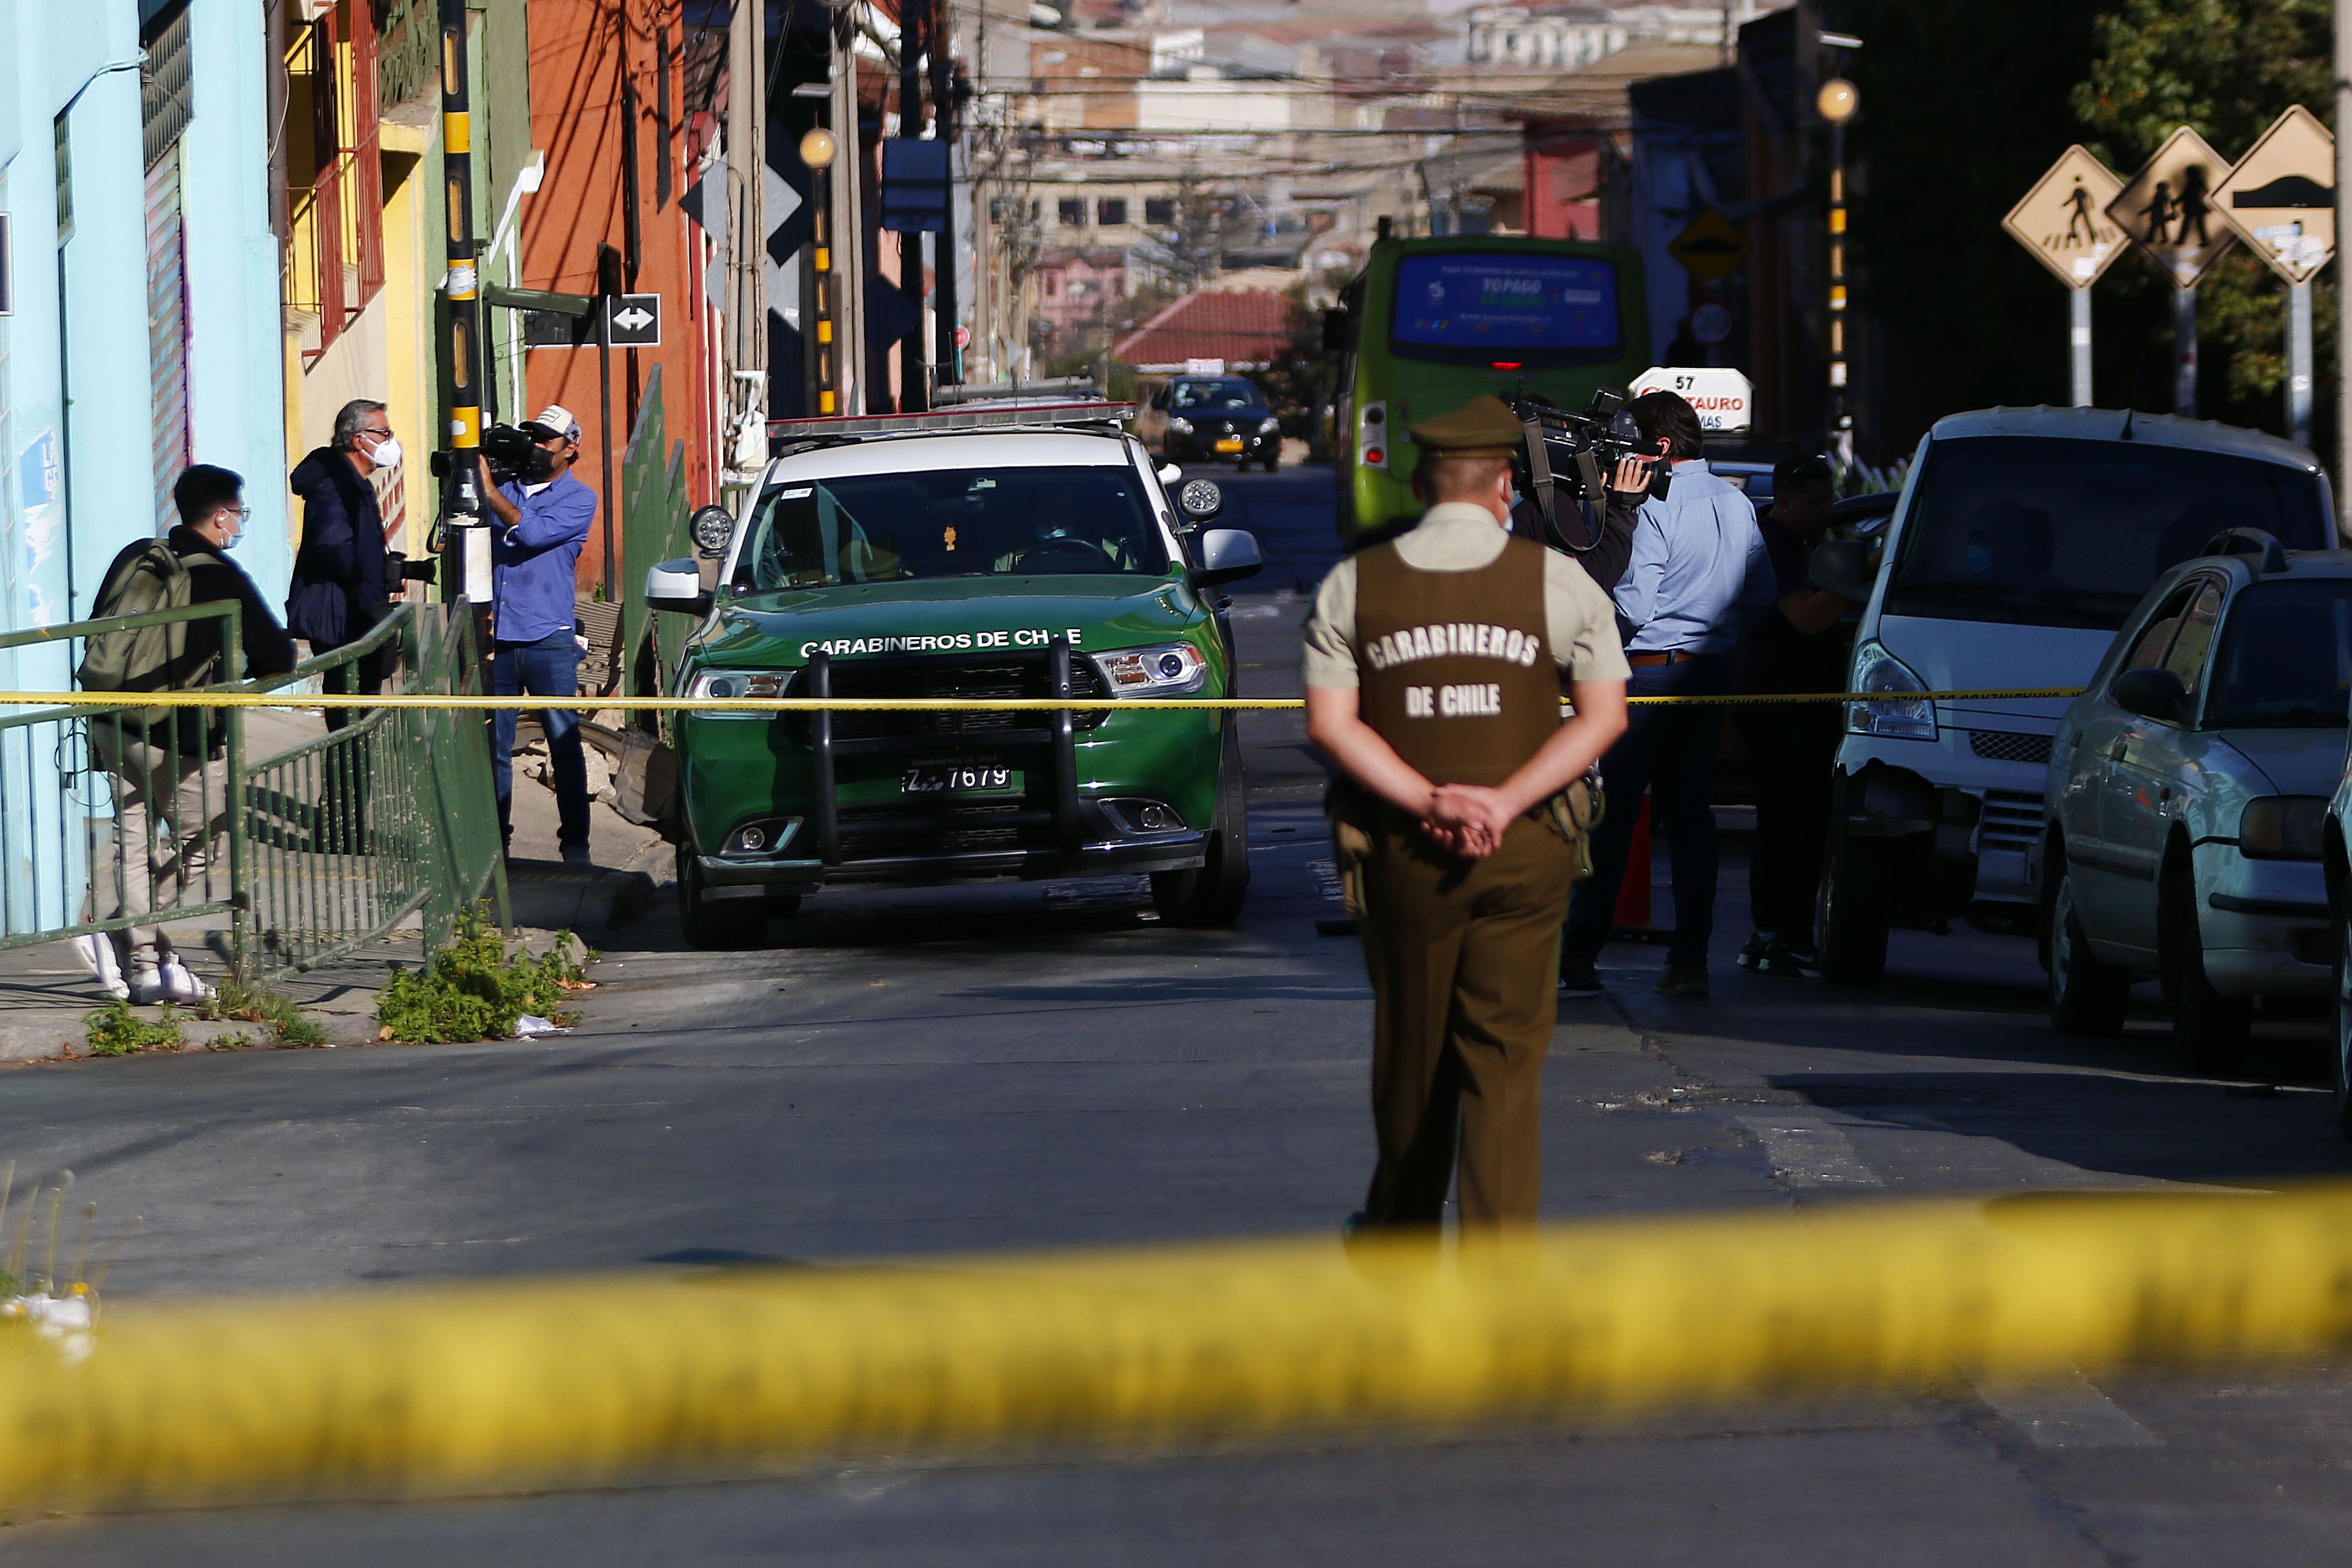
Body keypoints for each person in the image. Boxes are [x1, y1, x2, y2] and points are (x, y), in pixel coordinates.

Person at [1303, 393, 1630, 1235]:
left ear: (1418, 483)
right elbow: (1602, 718)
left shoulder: (1353, 584)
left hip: (1404, 852)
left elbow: (1330, 725)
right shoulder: (1559, 580)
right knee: (1504, 1062)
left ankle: (1402, 1239)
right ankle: (1497, 1280)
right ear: (1503, 488)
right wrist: (1503, 800)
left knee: (1411, 1057)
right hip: (1525, 851)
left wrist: (1429, 798)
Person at [1558, 389, 1773, 999]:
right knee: (1690, 818)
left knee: (1617, 818)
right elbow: (1762, 592)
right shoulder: (1736, 503)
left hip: (1647, 671)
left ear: (1655, 447)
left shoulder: (1653, 504)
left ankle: (1580, 957)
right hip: (1709, 672)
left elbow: (1634, 604)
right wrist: (1719, 634)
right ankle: (1690, 961)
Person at [75, 465, 297, 1004]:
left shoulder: (137, 556)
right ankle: (127, 934)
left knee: (133, 841)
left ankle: (147, 967)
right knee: (209, 835)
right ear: (219, 516)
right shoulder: (220, 573)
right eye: (238, 514)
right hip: (175, 735)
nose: (238, 524)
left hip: (109, 720)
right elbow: (279, 654)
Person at [1733, 454, 1855, 975]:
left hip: (1809, 695)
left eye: (1830, 499)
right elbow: (1804, 617)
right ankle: (1782, 931)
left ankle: (1773, 930)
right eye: (1815, 502)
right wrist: (1860, 578)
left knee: (1790, 816)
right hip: (1781, 697)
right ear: (1783, 501)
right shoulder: (1773, 544)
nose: (1827, 511)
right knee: (1792, 815)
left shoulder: (1811, 539)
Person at [485, 404, 599, 865]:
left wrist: (489, 492)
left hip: (548, 638)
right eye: (531, 436)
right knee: (495, 747)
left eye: (546, 440)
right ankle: (497, 843)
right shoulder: (506, 488)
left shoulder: (579, 499)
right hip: (501, 638)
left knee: (564, 744)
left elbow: (530, 534)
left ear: (570, 448)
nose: (535, 446)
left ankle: (575, 845)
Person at [287, 399, 404, 728]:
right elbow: (334, 547)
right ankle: (346, 779)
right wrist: (363, 585)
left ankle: (354, 775)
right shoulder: (336, 487)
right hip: (344, 616)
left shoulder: (356, 484)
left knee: (361, 706)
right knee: (349, 712)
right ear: (358, 439)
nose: (389, 442)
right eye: (383, 433)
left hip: (359, 611)